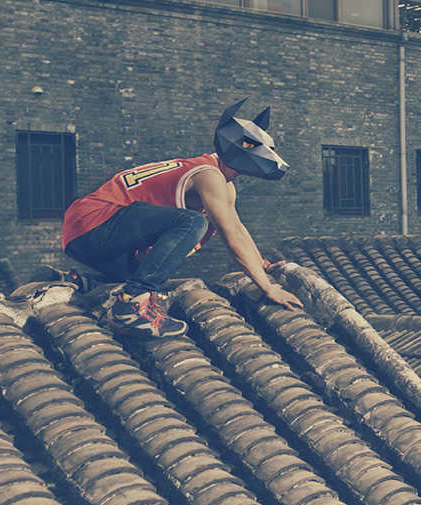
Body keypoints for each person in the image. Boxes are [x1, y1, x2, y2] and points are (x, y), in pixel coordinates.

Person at [58, 100, 303, 336]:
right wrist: (268, 288)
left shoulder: (222, 181)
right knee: (194, 222)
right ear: (243, 147)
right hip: (93, 222)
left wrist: (263, 265)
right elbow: (231, 241)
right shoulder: (209, 175)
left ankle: (80, 283)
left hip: (89, 236)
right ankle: (131, 307)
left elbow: (237, 228)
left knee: (154, 264)